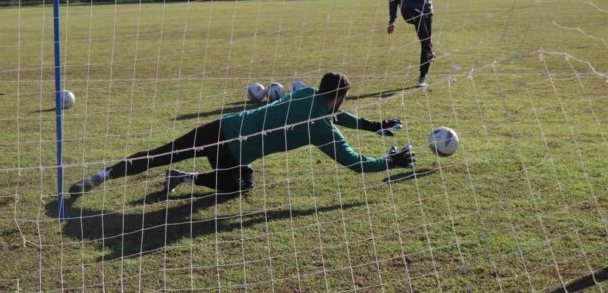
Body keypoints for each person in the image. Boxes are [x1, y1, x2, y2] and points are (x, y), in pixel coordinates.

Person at [69, 72, 416, 197]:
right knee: (243, 183)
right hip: (231, 155)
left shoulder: (303, 92)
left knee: (163, 151)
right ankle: (186, 179)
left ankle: (101, 175)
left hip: (220, 127)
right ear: (339, 97)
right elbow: (355, 163)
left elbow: (337, 113)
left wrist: (371, 125)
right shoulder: (323, 131)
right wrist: (389, 160)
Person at [385, 0, 443, 87]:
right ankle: (430, 49)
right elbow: (393, 0)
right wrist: (392, 20)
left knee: (425, 43)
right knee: (419, 21)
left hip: (426, 10)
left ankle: (423, 77)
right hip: (408, 11)